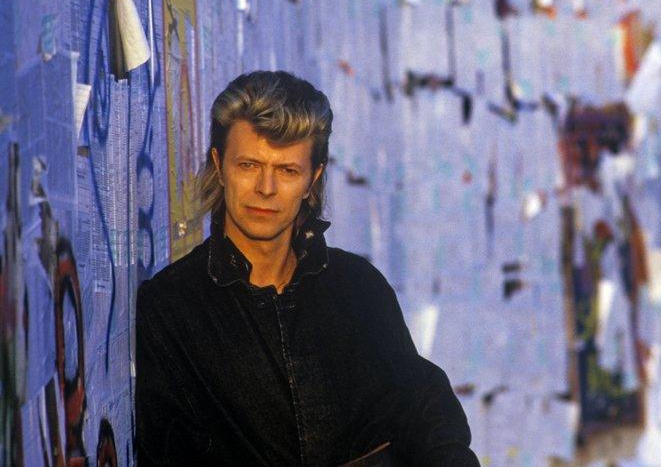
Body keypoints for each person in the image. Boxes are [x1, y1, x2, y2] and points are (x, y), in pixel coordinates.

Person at [135, 70, 478, 466]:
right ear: (219, 164)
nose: (266, 188)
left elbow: (427, 411)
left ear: (312, 180)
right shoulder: (173, 307)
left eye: (287, 171)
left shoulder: (358, 289)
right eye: (249, 165)